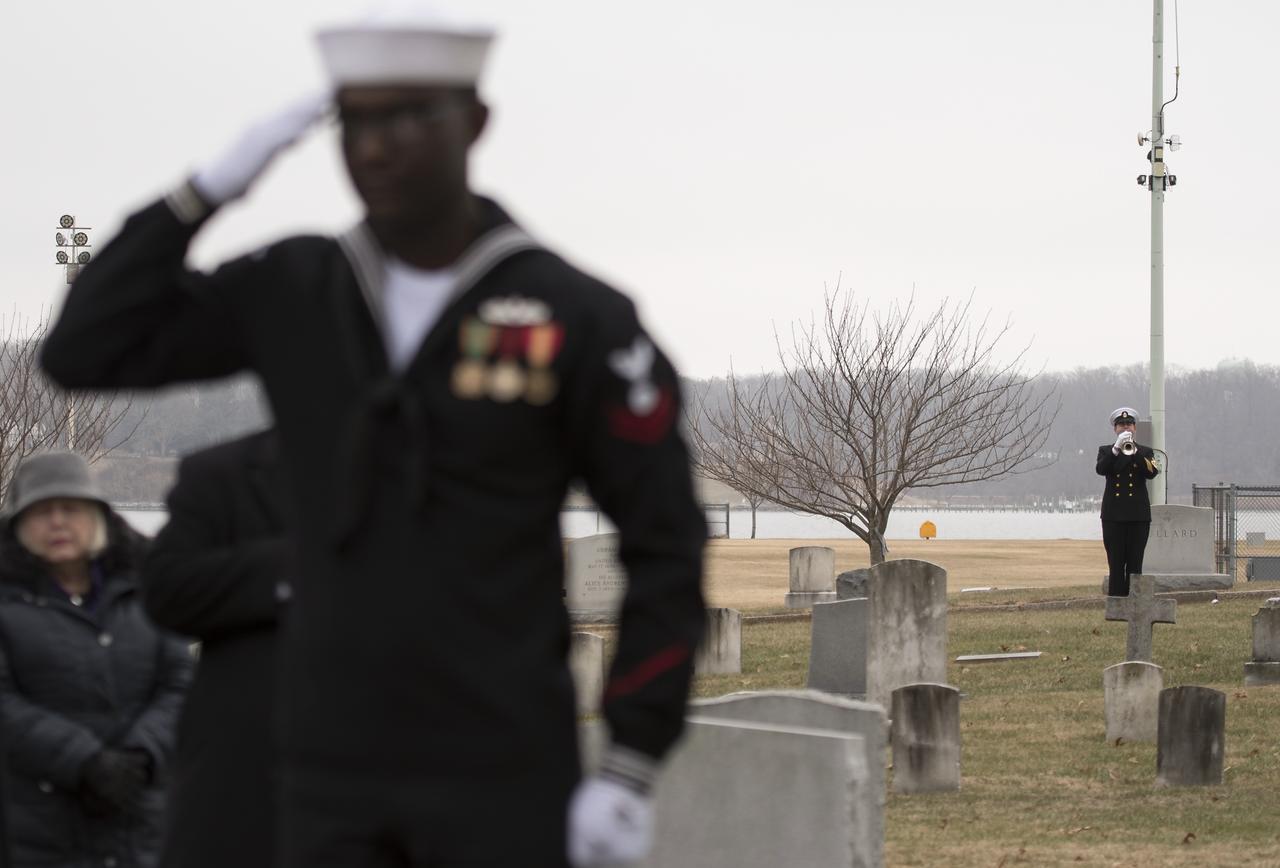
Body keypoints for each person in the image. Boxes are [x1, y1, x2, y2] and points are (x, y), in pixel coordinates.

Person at [39, 7, 707, 867]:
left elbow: (666, 541)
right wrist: (203, 191)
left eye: (406, 117)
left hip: (499, 764)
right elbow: (84, 350)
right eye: (354, 122)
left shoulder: (573, 313)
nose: (376, 147)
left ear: (474, 123)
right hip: (328, 773)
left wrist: (630, 760)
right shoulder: (298, 288)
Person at [0, 452, 193, 868]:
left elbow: (181, 680)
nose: (57, 522)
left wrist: (142, 755)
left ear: (97, 517)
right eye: (42, 511)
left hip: (143, 814)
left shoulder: (147, 588)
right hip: (41, 820)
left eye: (71, 508)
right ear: (19, 526)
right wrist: (83, 760)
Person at [141, 430, 292, 868]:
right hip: (240, 784)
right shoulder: (219, 475)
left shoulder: (443, 465)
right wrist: (304, 565)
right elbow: (167, 589)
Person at [1096, 407, 1160, 596]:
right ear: (1115, 429)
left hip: (1137, 515)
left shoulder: (1146, 451)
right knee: (1115, 562)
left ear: (1135, 428)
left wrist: (1135, 451)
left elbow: (1152, 473)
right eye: (1122, 425)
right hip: (1113, 515)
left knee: (1135, 562)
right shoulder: (1106, 451)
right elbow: (1101, 469)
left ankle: (1135, 600)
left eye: (1129, 425)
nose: (1126, 428)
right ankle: (1116, 600)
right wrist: (1117, 449)